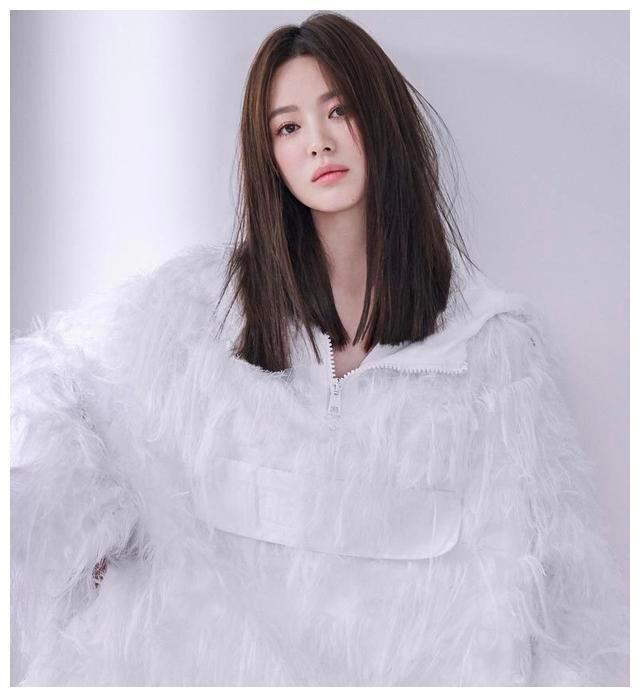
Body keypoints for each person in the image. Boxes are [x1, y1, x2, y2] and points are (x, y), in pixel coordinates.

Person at [10, 11, 628, 687]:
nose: (319, 143)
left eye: (339, 111)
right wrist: (86, 527)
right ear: (268, 155)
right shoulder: (192, 314)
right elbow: (44, 391)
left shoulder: (494, 354)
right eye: (289, 127)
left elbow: (554, 602)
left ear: (382, 119)